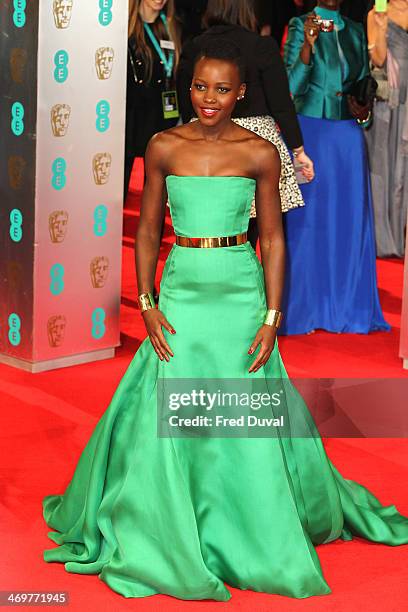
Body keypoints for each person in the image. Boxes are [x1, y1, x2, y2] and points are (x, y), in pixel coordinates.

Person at [42, 39, 408, 602]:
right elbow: (146, 230)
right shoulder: (164, 144)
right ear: (189, 89)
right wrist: (146, 301)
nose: (208, 98)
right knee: (174, 401)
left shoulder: (261, 151)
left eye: (220, 89)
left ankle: (247, 527)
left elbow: (274, 240)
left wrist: (270, 315)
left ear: (241, 93)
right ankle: (169, 524)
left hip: (239, 288)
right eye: (199, 87)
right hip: (183, 285)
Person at [280, 0, 390, 334]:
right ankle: (304, 308)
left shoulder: (356, 31)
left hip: (346, 139)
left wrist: (363, 104)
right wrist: (307, 50)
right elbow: (290, 89)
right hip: (309, 136)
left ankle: (346, 306)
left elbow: (361, 84)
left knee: (347, 220)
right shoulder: (300, 26)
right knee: (307, 222)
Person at [176, 0, 314, 251]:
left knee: (207, 229)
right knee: (256, 238)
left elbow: (185, 103)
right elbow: (281, 103)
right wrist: (298, 149)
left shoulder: (194, 46)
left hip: (207, 140)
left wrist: (194, 131)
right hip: (256, 147)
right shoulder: (262, 46)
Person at [124, 0, 181, 200]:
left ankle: (152, 225)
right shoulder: (127, 27)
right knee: (125, 165)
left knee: (156, 181)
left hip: (163, 110)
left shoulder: (171, 26)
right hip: (132, 111)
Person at [365, 0, 408, 257]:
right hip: (389, 99)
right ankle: (384, 238)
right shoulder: (376, 13)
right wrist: (380, 29)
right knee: (383, 163)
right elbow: (378, 59)